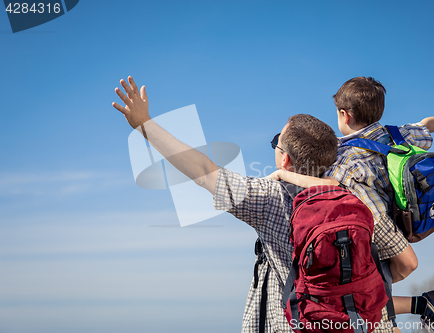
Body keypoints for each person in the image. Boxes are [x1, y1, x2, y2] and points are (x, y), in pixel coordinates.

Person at [112, 76, 387, 333]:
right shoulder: (351, 197)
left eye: (275, 145)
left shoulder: (271, 197)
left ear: (285, 160)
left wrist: (144, 124)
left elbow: (203, 170)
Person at [269, 76, 434, 333]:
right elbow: (426, 125)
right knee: (373, 299)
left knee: (368, 296)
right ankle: (425, 305)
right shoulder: (394, 134)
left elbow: (330, 188)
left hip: (375, 233)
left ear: (344, 115)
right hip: (401, 220)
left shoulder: (342, 161)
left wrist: (284, 175)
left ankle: (423, 305)